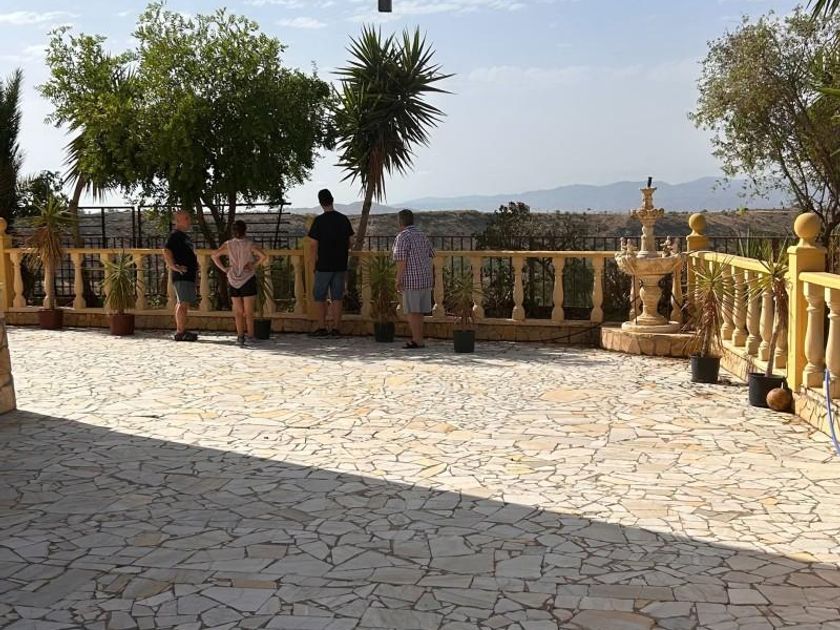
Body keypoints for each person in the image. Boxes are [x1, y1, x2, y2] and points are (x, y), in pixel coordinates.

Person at [211, 220, 268, 346]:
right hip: (247, 278)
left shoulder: (228, 244)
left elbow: (214, 256)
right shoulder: (249, 244)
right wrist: (254, 265)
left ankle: (240, 336)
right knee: (249, 311)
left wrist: (224, 269)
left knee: (237, 311)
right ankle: (251, 336)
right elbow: (263, 256)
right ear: (245, 230)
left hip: (233, 279)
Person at [307, 189, 354, 337]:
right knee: (337, 297)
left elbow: (313, 245)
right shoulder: (343, 219)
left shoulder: (319, 221)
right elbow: (350, 242)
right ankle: (336, 328)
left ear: (320, 203)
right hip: (340, 264)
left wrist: (312, 264)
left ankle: (321, 327)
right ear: (332, 200)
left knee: (320, 297)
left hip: (323, 265)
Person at [393, 209, 435, 349]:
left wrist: (398, 279)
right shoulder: (422, 235)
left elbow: (401, 260)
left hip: (412, 279)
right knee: (419, 312)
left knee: (412, 311)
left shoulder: (403, 237)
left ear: (400, 221)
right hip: (425, 278)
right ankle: (419, 338)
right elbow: (431, 253)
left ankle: (417, 339)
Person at [163, 210, 199, 342]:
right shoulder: (175, 235)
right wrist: (173, 266)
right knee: (182, 303)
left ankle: (182, 329)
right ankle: (180, 332)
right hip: (182, 275)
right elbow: (166, 251)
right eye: (186, 218)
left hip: (188, 275)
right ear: (178, 221)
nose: (189, 221)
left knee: (183, 303)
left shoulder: (184, 237)